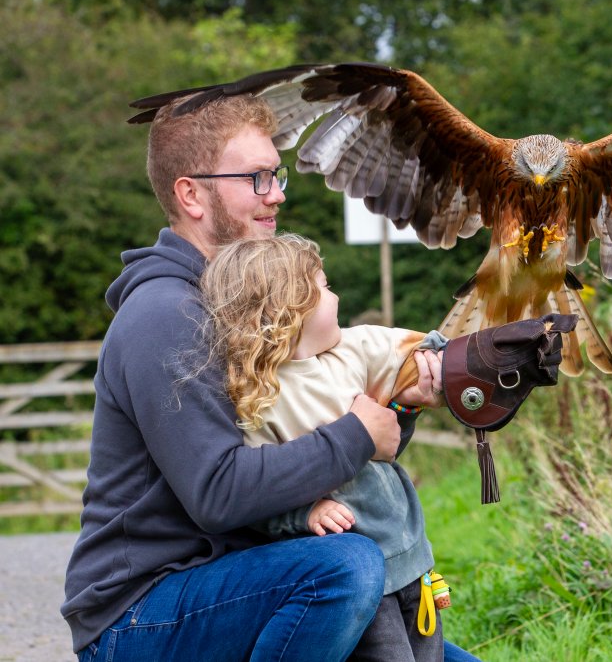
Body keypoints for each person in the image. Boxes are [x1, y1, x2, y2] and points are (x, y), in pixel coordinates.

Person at [61, 92, 480, 661]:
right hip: (142, 614)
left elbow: (306, 429)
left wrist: (396, 407)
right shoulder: (166, 316)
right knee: (345, 569)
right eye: (256, 178)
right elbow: (220, 493)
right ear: (191, 194)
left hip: (248, 576)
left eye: (276, 175)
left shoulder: (249, 301)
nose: (277, 192)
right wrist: (357, 436)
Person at [199, 233, 449, 661]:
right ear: (289, 309)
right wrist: (305, 513)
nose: (336, 296)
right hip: (367, 582)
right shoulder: (258, 399)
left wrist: (418, 390)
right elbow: (257, 497)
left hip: (415, 563)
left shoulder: (346, 355)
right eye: (325, 286)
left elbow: (408, 358)